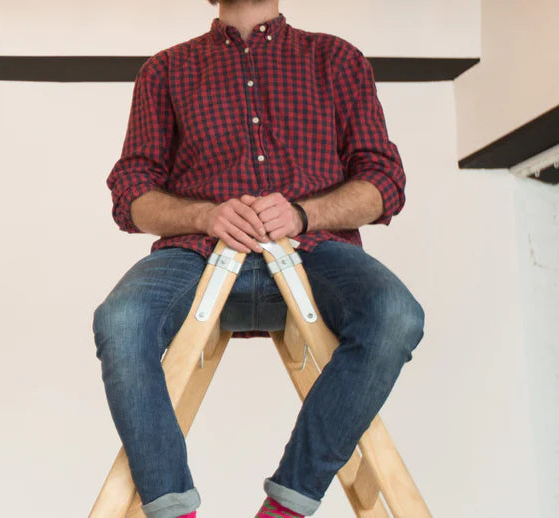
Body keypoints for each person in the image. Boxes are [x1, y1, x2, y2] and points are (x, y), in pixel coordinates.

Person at [92, 0, 425, 517]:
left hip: (316, 253)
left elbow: (384, 183)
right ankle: (171, 508)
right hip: (196, 255)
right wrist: (205, 216)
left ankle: (288, 507)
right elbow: (130, 194)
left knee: (396, 315)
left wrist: (302, 213)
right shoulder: (164, 69)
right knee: (120, 320)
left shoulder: (337, 59)